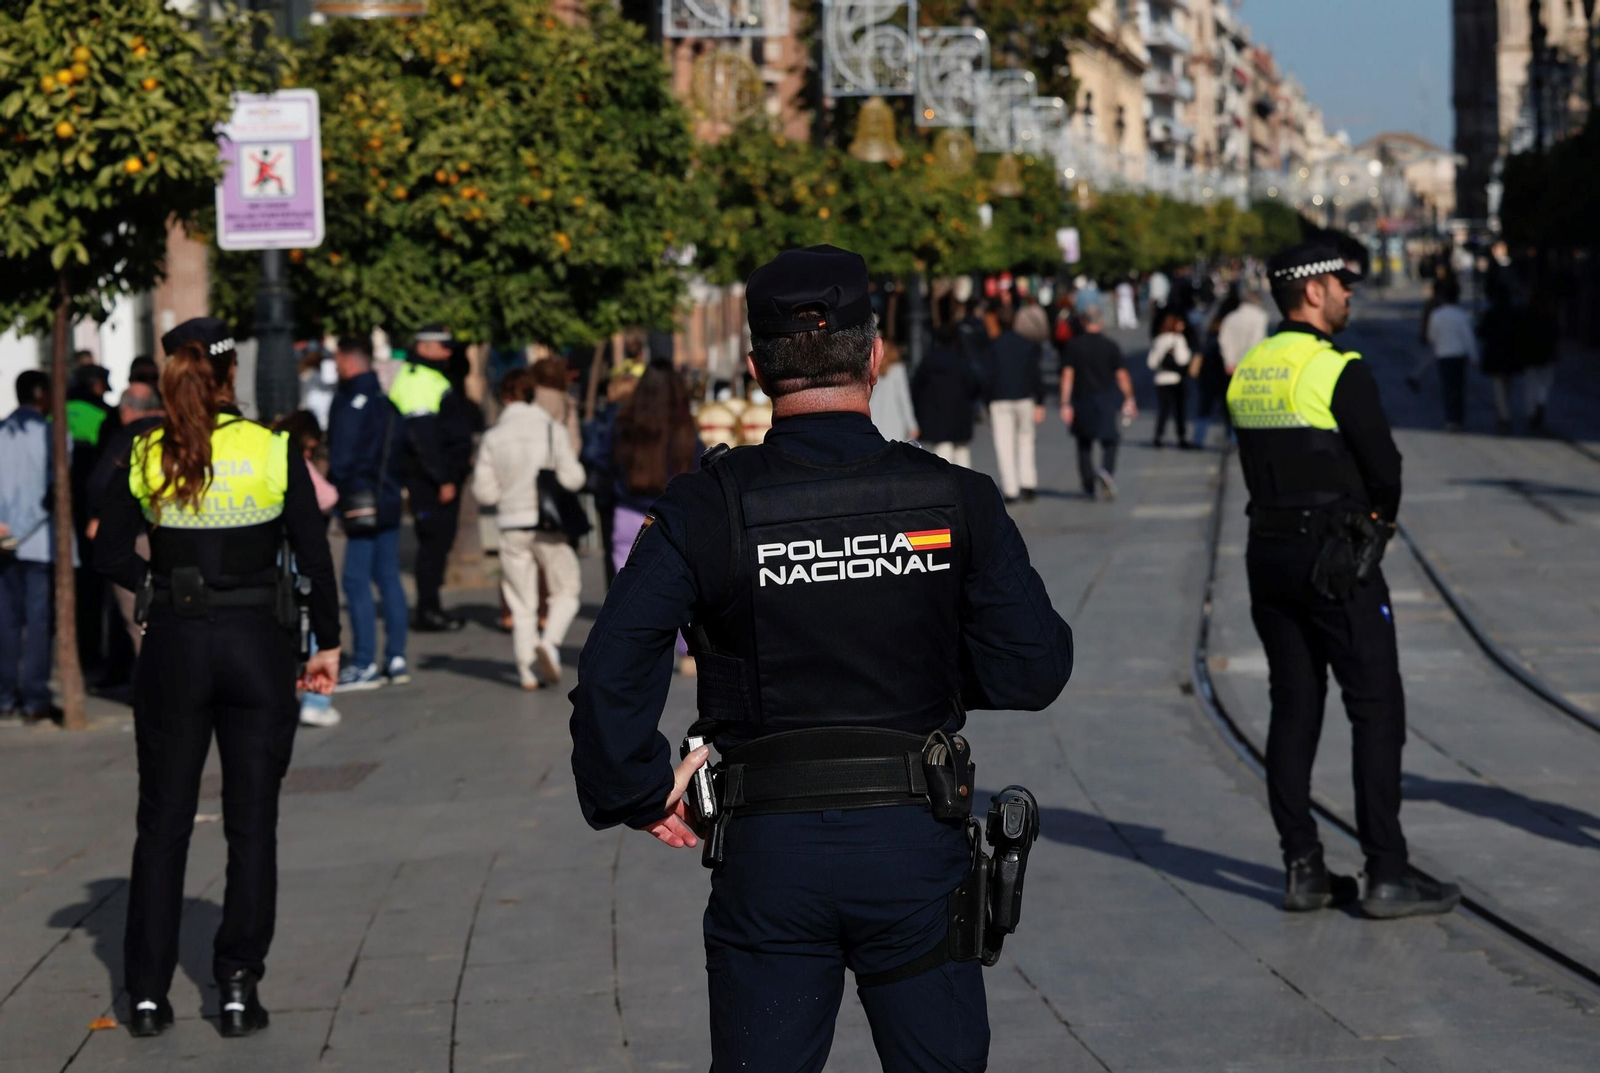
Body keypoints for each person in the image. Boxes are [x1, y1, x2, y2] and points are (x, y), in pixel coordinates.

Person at [569, 244, 1072, 1072]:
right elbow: (1035, 665)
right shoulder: (954, 497)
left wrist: (634, 785)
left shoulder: (707, 507)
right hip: (914, 838)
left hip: (770, 852)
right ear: (874, 355)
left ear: (759, 367)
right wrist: (929, 667)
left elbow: (613, 663)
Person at [93, 327, 341, 1039]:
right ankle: (236, 987)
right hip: (257, 649)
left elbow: (105, 547)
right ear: (232, 375)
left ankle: (145, 994)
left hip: (175, 646)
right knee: (251, 823)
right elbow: (314, 556)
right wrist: (327, 642)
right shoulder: (272, 447)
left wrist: (159, 586)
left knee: (162, 825)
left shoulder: (145, 449)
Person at [1226, 243, 1459, 919]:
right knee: (1375, 706)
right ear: (1312, 292)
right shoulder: (1337, 369)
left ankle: (1303, 866)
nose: (1349, 294)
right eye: (1341, 284)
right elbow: (1384, 466)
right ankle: (1386, 869)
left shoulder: (1251, 371)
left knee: (1293, 705)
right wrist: (1375, 522)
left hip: (1267, 552)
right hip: (1334, 557)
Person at [473, 369, 586, 690]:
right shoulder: (552, 429)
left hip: (510, 524)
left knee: (521, 601)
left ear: (504, 398)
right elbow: (574, 478)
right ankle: (550, 642)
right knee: (566, 589)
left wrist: (507, 494)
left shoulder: (493, 437)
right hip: (548, 522)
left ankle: (525, 669)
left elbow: (484, 492)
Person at [605, 361, 701, 674]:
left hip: (629, 513)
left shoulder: (623, 424)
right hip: (675, 517)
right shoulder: (685, 427)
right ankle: (687, 652)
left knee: (629, 591)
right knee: (684, 585)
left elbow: (604, 465)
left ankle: (631, 656)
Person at [328, 338, 410, 692]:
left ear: (348, 362)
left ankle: (363, 663)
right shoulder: (387, 403)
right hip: (389, 498)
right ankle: (396, 657)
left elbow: (343, 455)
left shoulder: (351, 402)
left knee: (355, 579)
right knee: (388, 578)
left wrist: (339, 487)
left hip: (360, 499)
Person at [390, 326, 474, 631]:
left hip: (438, 478)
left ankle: (431, 608)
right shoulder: (416, 378)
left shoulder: (428, 375)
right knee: (433, 546)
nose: (448, 352)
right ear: (424, 348)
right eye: (443, 346)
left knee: (437, 545)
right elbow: (422, 438)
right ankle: (428, 612)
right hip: (431, 482)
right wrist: (443, 479)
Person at [85, 382, 166, 684]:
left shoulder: (132, 436)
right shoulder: (176, 429)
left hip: (137, 535)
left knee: (141, 619)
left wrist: (98, 516)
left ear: (127, 411)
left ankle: (155, 686)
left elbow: (99, 482)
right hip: (172, 532)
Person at [273, 411, 343, 727]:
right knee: (308, 617)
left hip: (269, 556)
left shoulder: (266, 451)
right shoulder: (293, 461)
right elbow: (327, 496)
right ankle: (316, 697)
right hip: (295, 553)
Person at [0, 371, 61, 725]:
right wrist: (20, 530)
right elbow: (54, 493)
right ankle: (34, 697)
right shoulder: (52, 434)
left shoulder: (3, 432)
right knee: (37, 624)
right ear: (42, 396)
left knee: (7, 622)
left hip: (4, 542)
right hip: (37, 542)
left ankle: (6, 694)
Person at [1059, 304, 1136, 500]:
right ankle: (1106, 471)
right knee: (1110, 439)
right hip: (1105, 398)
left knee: (1084, 443)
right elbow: (1122, 375)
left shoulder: (1074, 346)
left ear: (1084, 322)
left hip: (1082, 398)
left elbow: (1068, 375)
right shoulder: (1110, 345)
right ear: (1100, 322)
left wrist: (1065, 403)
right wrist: (1129, 398)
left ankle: (1088, 485)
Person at [982, 304, 1045, 503]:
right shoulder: (1027, 345)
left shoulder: (993, 346)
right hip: (1024, 396)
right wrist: (1040, 401)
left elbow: (987, 376)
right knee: (1026, 440)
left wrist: (986, 401)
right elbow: (1036, 374)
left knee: (1004, 443)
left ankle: (1010, 488)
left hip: (1000, 399)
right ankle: (1028, 483)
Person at [1200, 284, 1269, 447]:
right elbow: (1258, 342)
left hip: (1230, 367)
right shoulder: (1260, 316)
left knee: (1230, 403)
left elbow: (1223, 342)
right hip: (1251, 367)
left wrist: (1229, 362)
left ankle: (1232, 433)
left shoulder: (1230, 318)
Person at [911, 321, 984, 467]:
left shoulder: (929, 360)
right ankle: (966, 488)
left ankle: (944, 488)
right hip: (960, 414)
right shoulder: (961, 360)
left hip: (937, 416)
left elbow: (916, 388)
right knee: (962, 453)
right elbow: (974, 384)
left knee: (942, 453)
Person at [1422, 277, 1477, 432]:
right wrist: (1474, 357)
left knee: (1447, 388)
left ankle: (1450, 419)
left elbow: (1431, 336)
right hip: (1459, 356)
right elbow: (1469, 338)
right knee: (1459, 387)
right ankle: (1459, 418)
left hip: (1443, 355)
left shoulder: (1436, 315)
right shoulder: (1462, 315)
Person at [1477, 278, 1520, 435]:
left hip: (1496, 355)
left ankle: (1504, 415)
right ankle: (1504, 413)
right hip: (1511, 355)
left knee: (1499, 388)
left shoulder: (1492, 312)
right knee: (1507, 387)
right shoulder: (1514, 312)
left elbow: (1481, 332)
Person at [1147, 311, 1192, 448]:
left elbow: (1151, 363)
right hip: (1175, 379)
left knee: (1163, 411)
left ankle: (1158, 436)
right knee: (1179, 410)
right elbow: (1183, 359)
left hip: (1161, 379)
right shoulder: (1178, 339)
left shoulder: (1158, 339)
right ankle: (1181, 437)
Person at [868, 340, 918, 442]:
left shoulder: (872, 371)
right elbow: (904, 398)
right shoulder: (898, 370)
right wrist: (912, 424)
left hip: (875, 420)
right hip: (895, 421)